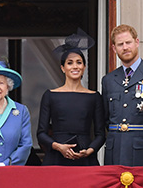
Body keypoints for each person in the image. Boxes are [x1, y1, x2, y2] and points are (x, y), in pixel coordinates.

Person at [37, 29, 105, 166]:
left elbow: (101, 134)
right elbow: (41, 133)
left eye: (79, 62)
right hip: (56, 158)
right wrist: (58, 146)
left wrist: (90, 150)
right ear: (62, 68)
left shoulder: (94, 97)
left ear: (84, 67)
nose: (75, 66)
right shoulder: (50, 95)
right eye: (70, 62)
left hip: (85, 158)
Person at [101, 24, 143, 166]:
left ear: (137, 42)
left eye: (128, 42)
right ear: (114, 49)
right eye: (120, 44)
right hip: (115, 150)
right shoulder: (109, 80)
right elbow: (105, 117)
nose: (125, 47)